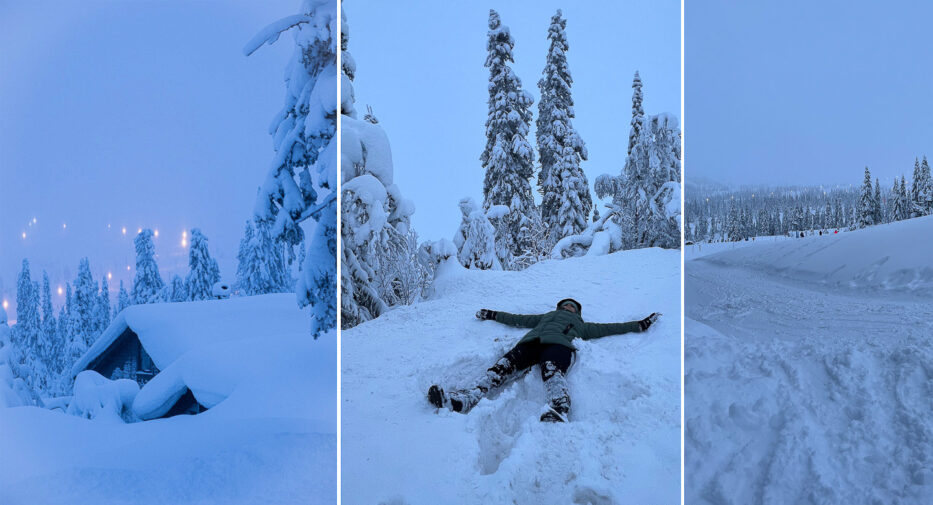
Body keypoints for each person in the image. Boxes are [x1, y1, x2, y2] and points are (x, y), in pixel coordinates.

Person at [427, 298, 660, 423]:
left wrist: (638, 325)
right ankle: (466, 399)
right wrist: (492, 314)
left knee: (551, 370)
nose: (568, 307)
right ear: (558, 308)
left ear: (577, 313)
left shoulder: (582, 325)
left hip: (559, 346)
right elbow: (517, 318)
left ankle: (560, 407)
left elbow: (610, 328)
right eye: (565, 305)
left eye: (572, 306)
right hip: (530, 343)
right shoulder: (545, 317)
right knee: (502, 367)